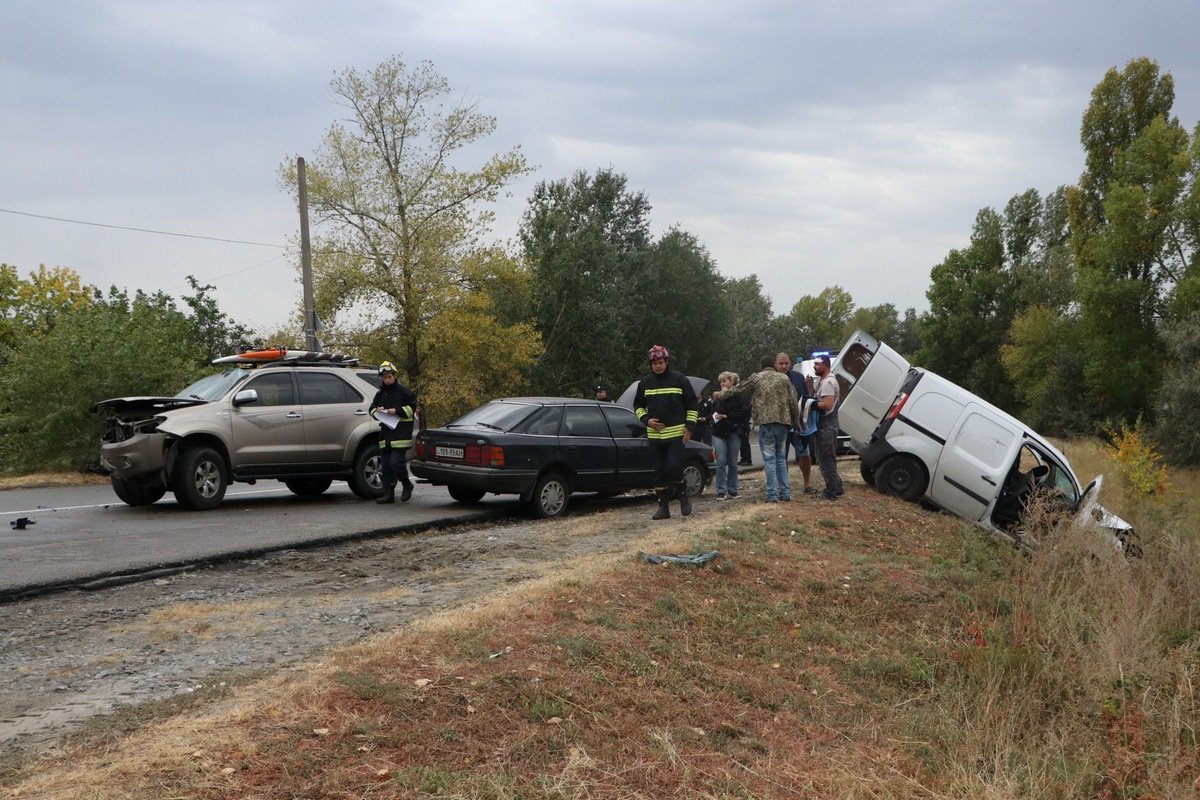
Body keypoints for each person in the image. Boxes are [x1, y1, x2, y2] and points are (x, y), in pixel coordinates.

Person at [718, 355, 801, 502]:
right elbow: (793, 402)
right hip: (783, 422)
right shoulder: (784, 378)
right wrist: (797, 423)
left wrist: (722, 394)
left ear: (761, 366)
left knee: (769, 459)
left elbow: (739, 389)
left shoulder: (756, 378)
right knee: (781, 458)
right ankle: (785, 492)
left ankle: (772, 494)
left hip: (766, 422)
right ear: (774, 365)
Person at [634, 345, 699, 520]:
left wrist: (689, 428)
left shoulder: (680, 380)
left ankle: (683, 496)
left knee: (674, 466)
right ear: (650, 365)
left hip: (676, 434)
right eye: (654, 363)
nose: (658, 366)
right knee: (659, 471)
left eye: (661, 362)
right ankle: (663, 508)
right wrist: (646, 420)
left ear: (666, 362)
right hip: (655, 436)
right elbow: (638, 406)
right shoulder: (645, 383)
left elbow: (693, 405)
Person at [369, 361, 418, 504]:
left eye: (389, 377)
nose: (387, 380)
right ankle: (388, 494)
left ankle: (406, 484)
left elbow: (412, 409)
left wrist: (396, 411)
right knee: (386, 465)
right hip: (386, 435)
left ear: (394, 376)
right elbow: (371, 409)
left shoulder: (405, 392)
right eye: (384, 378)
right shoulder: (380, 394)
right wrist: (378, 412)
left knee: (396, 462)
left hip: (401, 434)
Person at [775, 352, 817, 494]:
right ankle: (783, 487)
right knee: (781, 456)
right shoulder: (772, 380)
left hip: (798, 424)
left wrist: (810, 388)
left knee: (804, 453)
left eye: (786, 363)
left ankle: (807, 484)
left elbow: (807, 399)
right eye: (781, 363)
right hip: (779, 424)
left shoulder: (798, 377)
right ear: (775, 364)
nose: (784, 366)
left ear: (790, 363)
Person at [711, 371, 749, 500]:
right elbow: (716, 410)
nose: (722, 383)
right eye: (721, 382)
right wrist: (722, 397)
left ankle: (732, 489)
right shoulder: (719, 396)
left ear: (732, 382)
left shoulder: (740, 395)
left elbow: (743, 412)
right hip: (719, 431)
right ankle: (721, 491)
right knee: (721, 460)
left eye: (725, 381)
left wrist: (727, 416)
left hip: (734, 430)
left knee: (733, 461)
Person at [812, 355, 844, 500]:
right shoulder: (824, 381)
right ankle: (837, 486)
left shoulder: (828, 383)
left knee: (826, 459)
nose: (814, 366)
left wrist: (812, 404)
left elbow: (827, 404)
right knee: (827, 457)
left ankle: (830, 491)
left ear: (825, 365)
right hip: (827, 425)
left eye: (817, 364)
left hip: (826, 425)